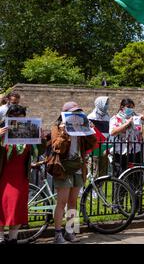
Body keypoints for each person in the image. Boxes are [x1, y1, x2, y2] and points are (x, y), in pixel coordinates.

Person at [51, 102, 97, 244]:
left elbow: (92, 144)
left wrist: (90, 131)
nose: (76, 115)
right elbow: (56, 148)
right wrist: (64, 134)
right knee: (62, 201)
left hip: (78, 167)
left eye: (78, 112)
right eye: (73, 112)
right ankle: (58, 233)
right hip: (63, 168)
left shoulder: (80, 128)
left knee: (73, 201)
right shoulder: (56, 127)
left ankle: (70, 230)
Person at [0, 105, 45, 244]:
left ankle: (13, 238)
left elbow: (39, 152)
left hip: (20, 175)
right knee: (1, 205)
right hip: (3, 175)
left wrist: (42, 139)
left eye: (21, 119)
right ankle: (1, 238)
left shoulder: (29, 131)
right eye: (15, 119)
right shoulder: (2, 130)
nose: (18, 122)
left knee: (17, 206)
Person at [109, 98, 144, 178]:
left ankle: (135, 190)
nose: (130, 109)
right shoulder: (115, 118)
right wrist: (127, 124)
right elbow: (112, 132)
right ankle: (121, 190)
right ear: (122, 107)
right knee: (121, 175)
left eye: (132, 107)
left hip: (135, 151)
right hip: (121, 151)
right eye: (128, 107)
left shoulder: (136, 117)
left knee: (136, 176)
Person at [87, 96, 111, 180]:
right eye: (105, 103)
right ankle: (93, 191)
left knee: (103, 170)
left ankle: (100, 188)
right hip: (95, 146)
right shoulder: (91, 116)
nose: (107, 105)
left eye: (107, 103)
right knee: (95, 169)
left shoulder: (108, 117)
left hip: (105, 146)